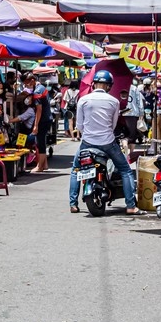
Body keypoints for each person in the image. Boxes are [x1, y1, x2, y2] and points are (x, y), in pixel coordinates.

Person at [68, 71, 140, 215]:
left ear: (94, 84)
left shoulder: (83, 99)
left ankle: (73, 204)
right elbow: (112, 126)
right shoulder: (114, 101)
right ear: (109, 86)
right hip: (108, 143)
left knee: (76, 170)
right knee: (126, 170)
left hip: (87, 142)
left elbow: (80, 125)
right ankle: (131, 205)